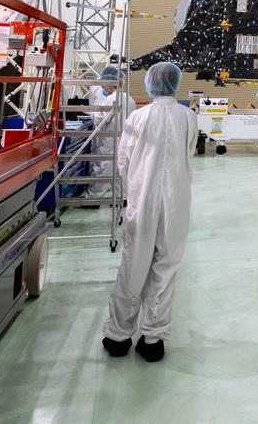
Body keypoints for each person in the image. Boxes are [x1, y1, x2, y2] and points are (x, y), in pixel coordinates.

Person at [102, 62, 195, 362]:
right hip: (176, 200)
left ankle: (118, 336)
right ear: (175, 83)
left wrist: (134, 188)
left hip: (142, 199)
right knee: (165, 266)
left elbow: (124, 160)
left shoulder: (137, 117)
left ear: (151, 83)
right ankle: (153, 339)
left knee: (134, 263)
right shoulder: (188, 117)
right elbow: (188, 153)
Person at [88, 65, 135, 199]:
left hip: (111, 139)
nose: (103, 88)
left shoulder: (112, 98)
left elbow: (101, 119)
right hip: (126, 138)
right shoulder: (129, 99)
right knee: (122, 169)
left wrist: (90, 114)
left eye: (105, 85)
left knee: (104, 168)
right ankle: (123, 197)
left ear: (110, 83)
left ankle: (95, 197)